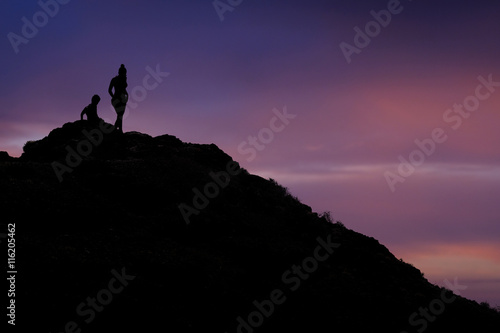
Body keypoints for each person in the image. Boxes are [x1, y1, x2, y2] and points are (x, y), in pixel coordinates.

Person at [108, 64, 129, 133]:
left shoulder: (123, 79)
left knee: (120, 115)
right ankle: (117, 129)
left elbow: (123, 90)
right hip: (117, 99)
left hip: (123, 99)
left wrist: (126, 95)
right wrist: (113, 96)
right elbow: (109, 90)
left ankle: (119, 129)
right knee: (120, 115)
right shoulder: (115, 79)